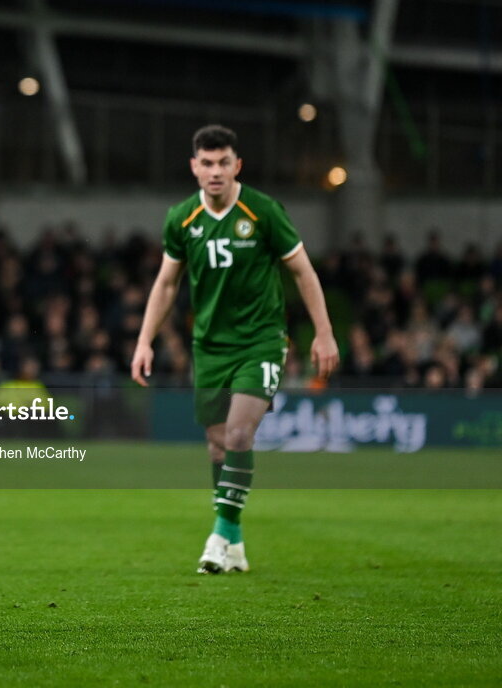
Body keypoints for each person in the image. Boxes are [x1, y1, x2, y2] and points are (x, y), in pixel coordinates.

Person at [131, 125, 339, 574]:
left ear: (237, 165)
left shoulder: (263, 211)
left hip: (261, 341)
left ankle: (219, 534)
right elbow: (167, 283)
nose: (215, 171)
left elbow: (303, 272)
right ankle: (237, 543)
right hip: (209, 347)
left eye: (224, 162)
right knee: (218, 446)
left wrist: (323, 332)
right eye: (206, 163)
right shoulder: (181, 218)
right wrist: (145, 340)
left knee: (241, 435)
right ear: (194, 167)